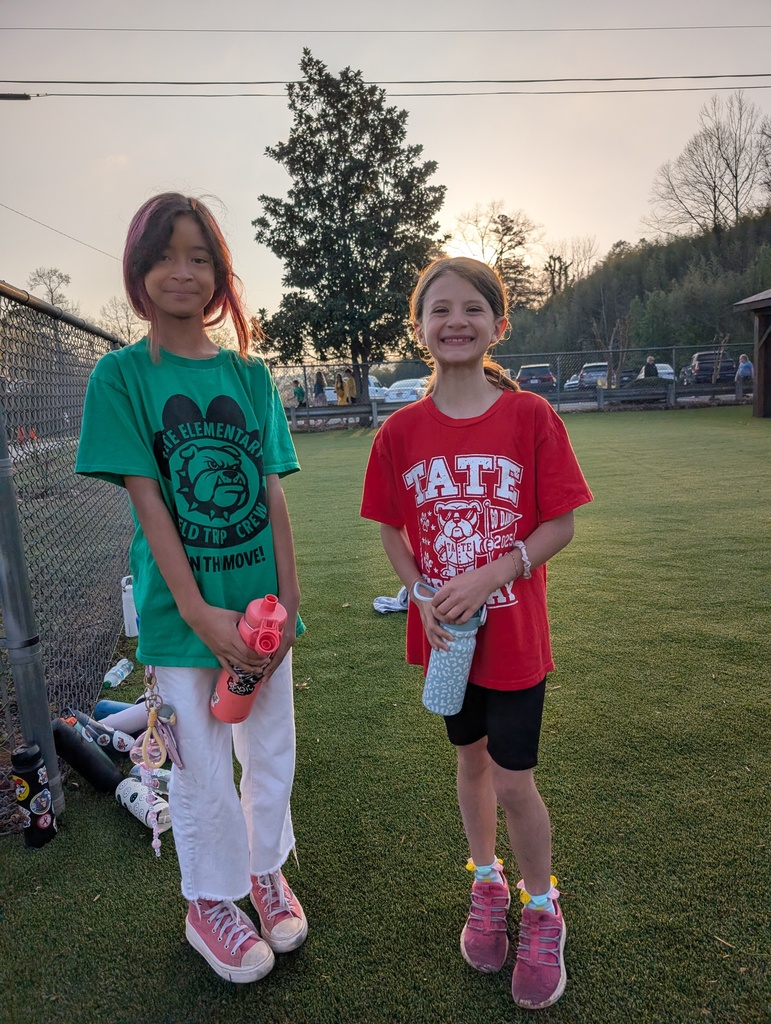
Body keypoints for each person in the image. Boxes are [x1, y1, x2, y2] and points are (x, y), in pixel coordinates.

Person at [75, 192, 307, 985]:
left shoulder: (249, 375)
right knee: (200, 762)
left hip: (261, 615)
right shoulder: (122, 376)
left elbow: (272, 493)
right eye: (165, 256)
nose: (183, 272)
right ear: (140, 272)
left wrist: (291, 601)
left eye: (199, 257)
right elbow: (149, 502)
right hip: (183, 621)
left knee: (268, 749)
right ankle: (208, 899)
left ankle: (264, 871)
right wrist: (201, 614)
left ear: (219, 274)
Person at [360, 257, 592, 1011]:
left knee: (515, 779)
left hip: (515, 636)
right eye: (439, 310)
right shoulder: (400, 430)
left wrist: (496, 572)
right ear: (419, 327)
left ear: (498, 324)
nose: (454, 322)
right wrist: (420, 589)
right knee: (470, 763)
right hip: (447, 642)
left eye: (471, 309)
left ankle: (540, 903)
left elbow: (558, 522)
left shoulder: (530, 417)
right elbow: (394, 529)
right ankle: (484, 881)